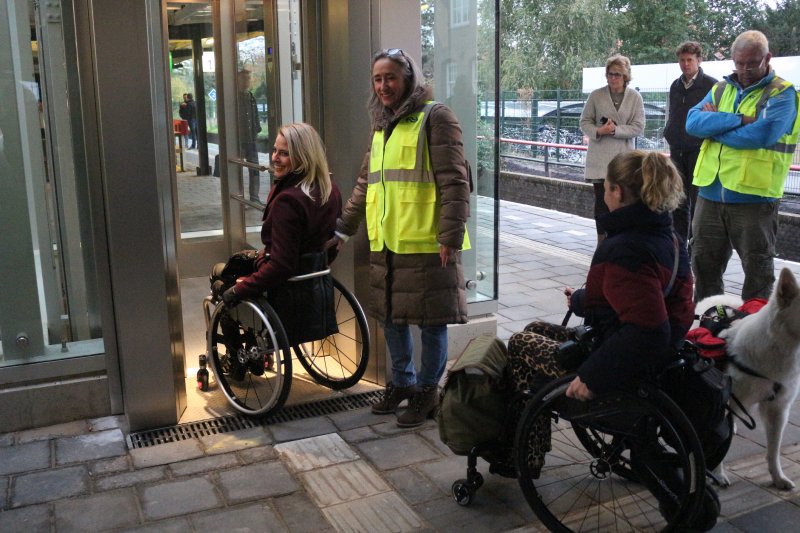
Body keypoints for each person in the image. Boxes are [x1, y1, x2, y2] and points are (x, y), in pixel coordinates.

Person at [328, 48, 471, 428]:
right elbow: (366, 182)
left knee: (431, 322)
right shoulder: (382, 124)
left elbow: (455, 181)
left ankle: (428, 391)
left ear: (408, 78)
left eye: (390, 77)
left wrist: (451, 236)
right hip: (387, 241)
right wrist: (344, 228)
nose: (383, 85)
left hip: (427, 242)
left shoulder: (436, 117)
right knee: (391, 317)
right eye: (377, 79)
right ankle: (403, 383)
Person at [686, 30, 800, 302]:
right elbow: (692, 123)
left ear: (767, 58)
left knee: (757, 273)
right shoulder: (721, 88)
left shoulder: (783, 93)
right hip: (710, 193)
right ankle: (708, 329)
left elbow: (762, 135)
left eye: (752, 63)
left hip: (754, 197)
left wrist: (713, 127)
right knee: (703, 267)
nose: (745, 69)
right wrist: (740, 119)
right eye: (739, 63)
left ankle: (754, 340)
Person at [221, 122, 341, 303]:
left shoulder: (288, 201)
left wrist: (238, 290)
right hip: (314, 282)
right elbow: (331, 247)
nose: (275, 158)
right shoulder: (330, 191)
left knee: (223, 276)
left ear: (303, 157)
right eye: (275, 150)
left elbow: (281, 266)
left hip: (285, 288)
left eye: (284, 153)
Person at [580, 55, 645, 243]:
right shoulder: (596, 95)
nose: (612, 78)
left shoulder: (635, 98)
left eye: (617, 74)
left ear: (625, 76)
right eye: (609, 74)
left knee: (624, 201)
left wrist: (616, 130)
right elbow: (584, 122)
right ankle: (602, 241)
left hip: (623, 160)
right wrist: (599, 130)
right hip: (599, 159)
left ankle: (621, 240)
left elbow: (638, 126)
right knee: (602, 202)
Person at [663, 42, 717, 244]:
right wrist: (669, 131)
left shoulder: (711, 85)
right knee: (677, 201)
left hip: (698, 150)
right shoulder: (675, 85)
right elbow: (673, 112)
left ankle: (695, 248)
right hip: (676, 148)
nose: (685, 64)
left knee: (697, 203)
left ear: (699, 60)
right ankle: (678, 247)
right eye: (682, 60)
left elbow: (716, 118)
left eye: (689, 60)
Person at [237, 69, 263, 203]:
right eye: (244, 79)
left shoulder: (250, 96)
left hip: (251, 140)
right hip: (239, 140)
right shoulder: (234, 97)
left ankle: (254, 197)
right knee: (237, 168)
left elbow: (255, 115)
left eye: (248, 78)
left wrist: (256, 130)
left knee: (255, 169)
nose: (247, 81)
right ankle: (239, 197)